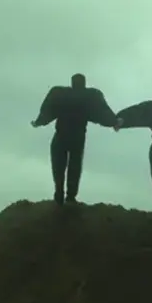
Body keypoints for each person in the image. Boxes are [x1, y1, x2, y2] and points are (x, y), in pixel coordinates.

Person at [31, 74, 116, 206]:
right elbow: (102, 112)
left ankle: (59, 193)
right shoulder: (91, 96)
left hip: (61, 135)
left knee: (58, 165)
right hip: (77, 137)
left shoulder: (60, 94)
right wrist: (114, 122)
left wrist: (39, 122)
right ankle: (70, 197)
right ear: (84, 83)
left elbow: (48, 110)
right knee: (74, 167)